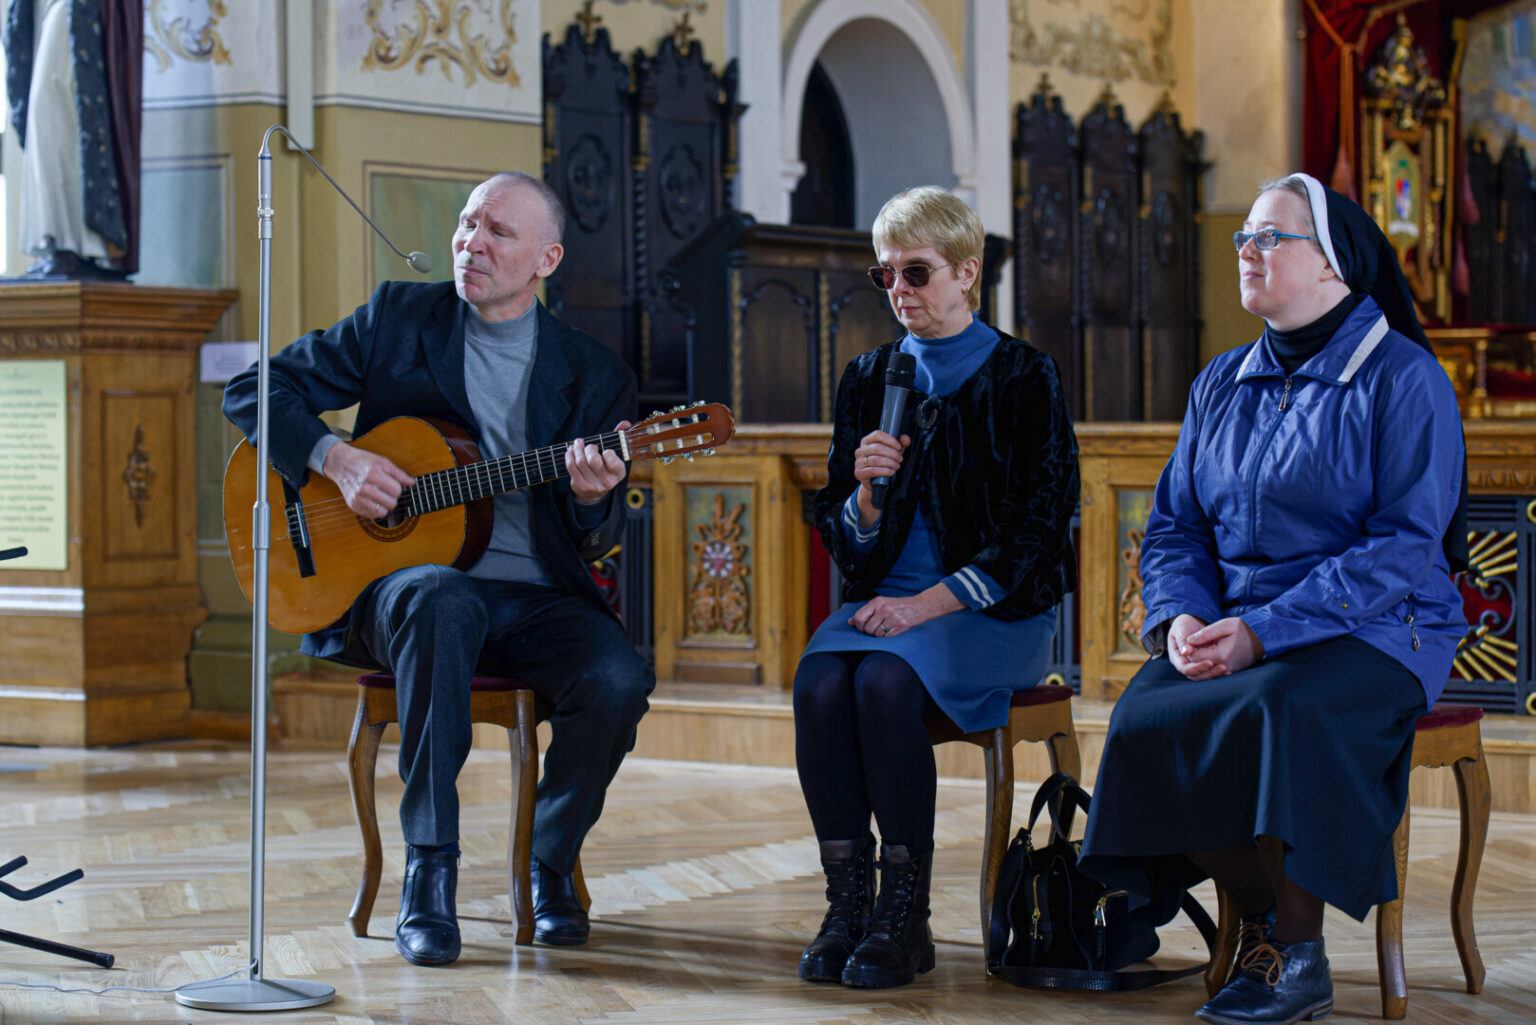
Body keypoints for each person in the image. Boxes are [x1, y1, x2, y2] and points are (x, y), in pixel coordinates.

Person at [223, 172, 654, 967]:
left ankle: (549, 861)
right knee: (440, 596)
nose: (470, 243)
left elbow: (593, 540)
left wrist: (593, 496)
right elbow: (253, 389)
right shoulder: (398, 318)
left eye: (498, 232)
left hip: (534, 598)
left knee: (618, 678)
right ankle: (430, 872)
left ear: (546, 259)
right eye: (466, 223)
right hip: (397, 594)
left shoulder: (595, 374)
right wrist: (336, 457)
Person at [1079, 172, 1468, 1025]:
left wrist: (1262, 632)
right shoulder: (1221, 380)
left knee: (1280, 708)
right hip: (1238, 623)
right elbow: (1176, 525)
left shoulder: (1404, 378)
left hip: (1381, 626)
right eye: (1243, 236)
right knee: (1146, 714)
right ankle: (1259, 917)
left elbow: (1403, 547)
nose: (1247, 251)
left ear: (1332, 264)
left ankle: (1298, 954)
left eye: (1270, 237)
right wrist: (1180, 616)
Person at [793, 186, 1079, 989]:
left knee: (883, 682)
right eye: (885, 275)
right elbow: (839, 529)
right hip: (886, 604)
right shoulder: (868, 375)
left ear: (966, 272)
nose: (899, 290)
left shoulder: (1025, 375)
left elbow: (1038, 528)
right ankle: (848, 903)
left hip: (993, 608)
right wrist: (864, 496)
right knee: (819, 683)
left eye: (916, 272)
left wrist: (925, 605)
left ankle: (905, 914)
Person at [4, 0, 141, 277]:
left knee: (54, 113)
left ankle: (76, 242)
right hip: (50, 9)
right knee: (45, 118)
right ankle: (59, 240)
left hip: (75, 9)